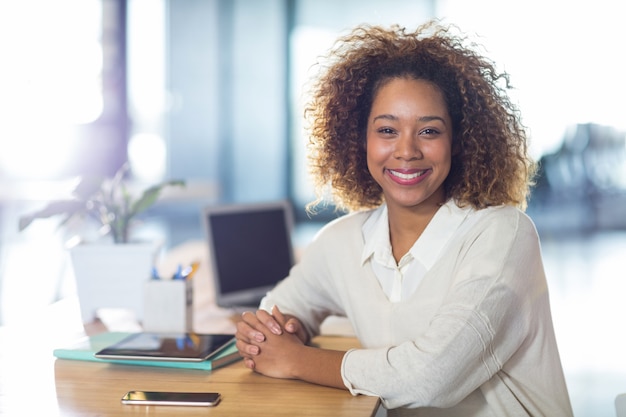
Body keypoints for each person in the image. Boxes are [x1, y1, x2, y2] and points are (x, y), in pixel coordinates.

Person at [235, 21, 573, 416]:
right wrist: (281, 330)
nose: (407, 150)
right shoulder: (342, 241)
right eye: (387, 130)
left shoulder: (502, 234)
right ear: (360, 139)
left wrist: (295, 359)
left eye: (428, 130)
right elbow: (279, 309)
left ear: (458, 141)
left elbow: (430, 377)